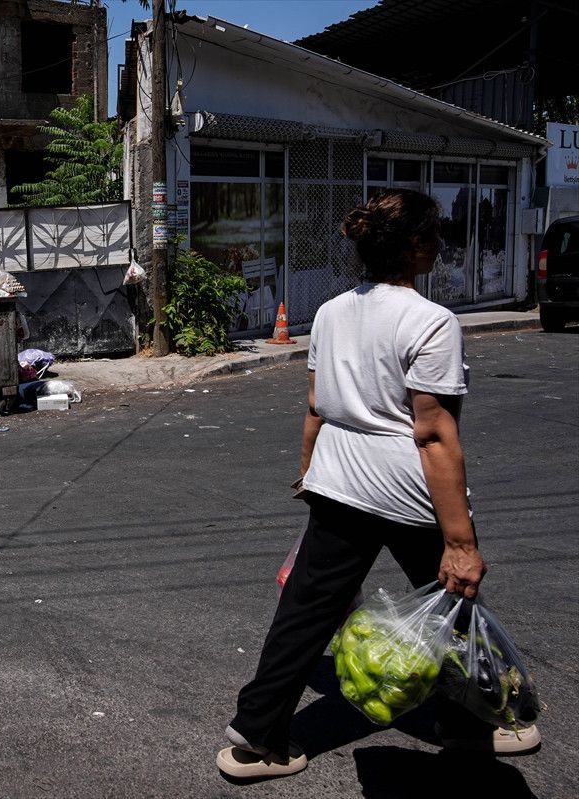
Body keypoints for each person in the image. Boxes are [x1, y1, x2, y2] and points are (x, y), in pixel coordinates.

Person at [216, 189, 541, 780]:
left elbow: (316, 403)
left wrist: (310, 472)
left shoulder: (332, 312)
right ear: (415, 246)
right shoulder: (431, 321)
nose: (439, 244)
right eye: (434, 234)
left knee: (306, 610)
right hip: (405, 489)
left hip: (339, 480)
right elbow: (433, 434)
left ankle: (255, 739)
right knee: (453, 606)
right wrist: (461, 543)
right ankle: (470, 724)